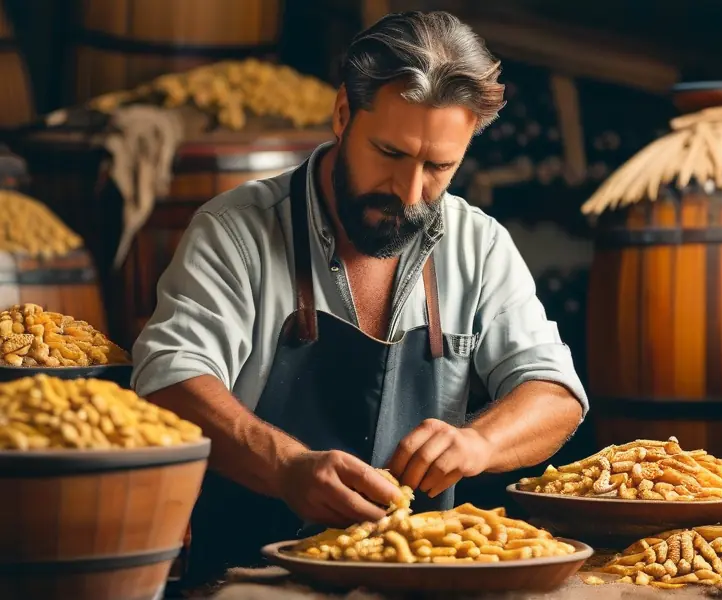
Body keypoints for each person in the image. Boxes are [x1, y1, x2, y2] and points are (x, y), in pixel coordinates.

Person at [131, 10, 589, 581]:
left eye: (438, 166)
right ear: (343, 113)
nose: (410, 192)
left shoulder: (479, 245)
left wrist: (479, 443)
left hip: (419, 584)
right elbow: (168, 380)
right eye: (391, 154)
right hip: (247, 582)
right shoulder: (235, 232)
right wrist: (287, 467)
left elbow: (554, 392)